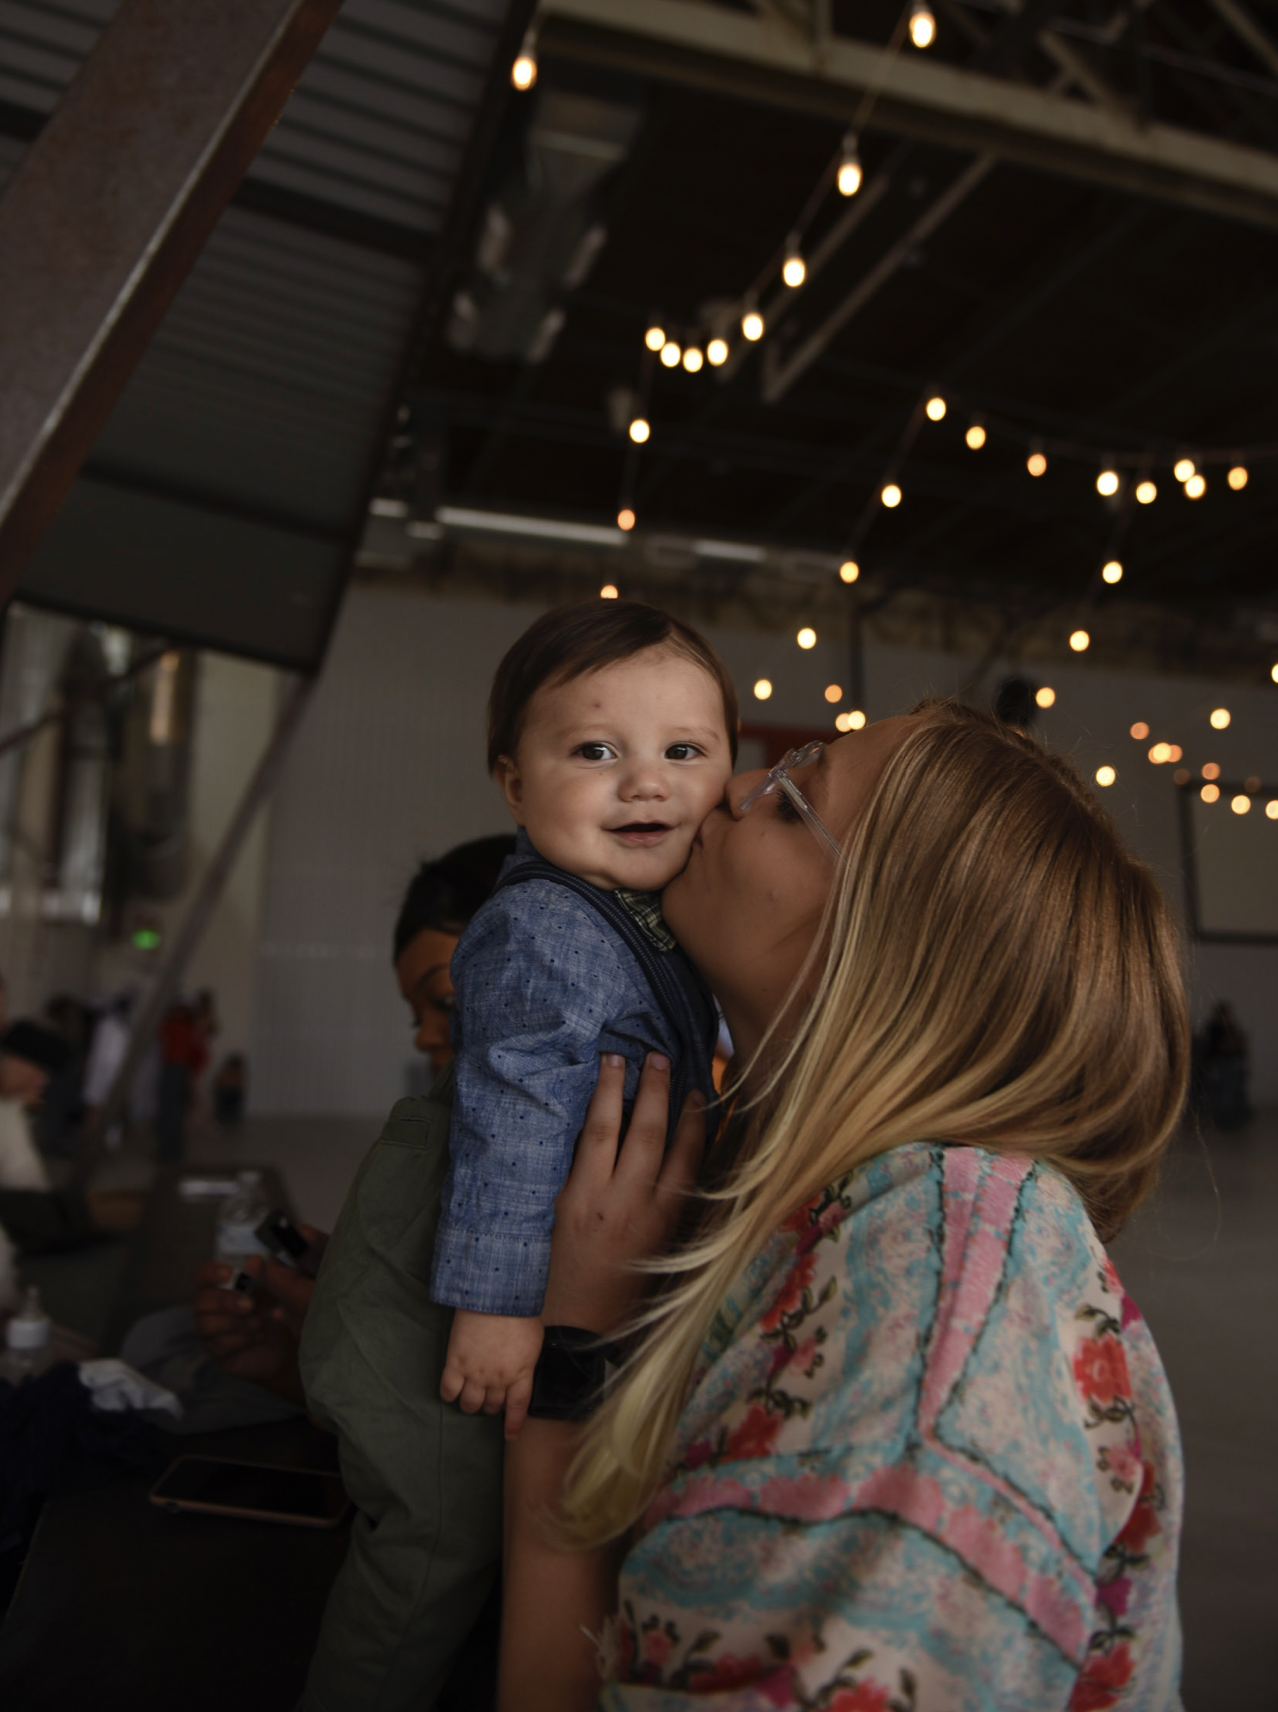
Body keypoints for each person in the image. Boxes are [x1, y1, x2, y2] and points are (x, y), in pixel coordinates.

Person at [497, 700, 1187, 1711]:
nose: (731, 789)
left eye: (792, 802)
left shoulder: (925, 1344)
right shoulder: (842, 1205)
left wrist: (576, 1357)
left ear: (887, 947)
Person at [432, 601, 736, 1435]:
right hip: (529, 1297)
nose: (646, 781)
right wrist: (499, 1304)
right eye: (595, 752)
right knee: (446, 1519)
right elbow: (514, 1110)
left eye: (684, 751)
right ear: (516, 786)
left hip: (610, 1255)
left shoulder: (647, 907)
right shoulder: (546, 923)